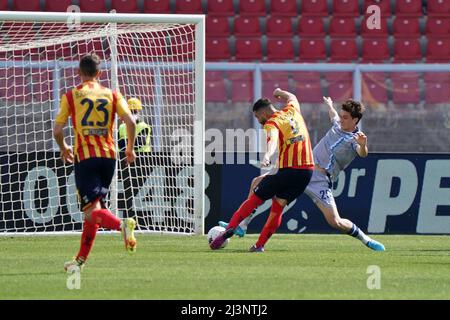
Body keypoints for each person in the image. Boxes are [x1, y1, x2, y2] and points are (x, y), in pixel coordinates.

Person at [219, 97, 385, 251]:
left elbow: (362, 153)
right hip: (302, 168)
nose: (341, 119)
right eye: (341, 116)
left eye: (346, 117)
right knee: (257, 181)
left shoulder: (356, 139)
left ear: (355, 120)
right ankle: (243, 226)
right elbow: (333, 115)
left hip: (320, 180)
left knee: (335, 221)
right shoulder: (337, 125)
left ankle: (366, 240)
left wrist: (363, 145)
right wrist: (329, 105)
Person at [53, 53, 138, 272]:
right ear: (100, 74)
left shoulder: (71, 96)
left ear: (79, 73)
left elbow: (57, 130)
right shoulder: (112, 94)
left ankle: (122, 225)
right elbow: (130, 120)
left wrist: (64, 148)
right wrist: (129, 148)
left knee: (91, 211)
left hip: (86, 157)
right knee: (93, 211)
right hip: (109, 158)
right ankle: (80, 260)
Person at [210, 88, 314, 252]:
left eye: (257, 117)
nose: (259, 120)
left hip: (288, 171)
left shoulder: (272, 122)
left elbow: (272, 141)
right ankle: (259, 245)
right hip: (307, 172)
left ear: (263, 113)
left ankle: (230, 229)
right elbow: (292, 96)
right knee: (278, 206)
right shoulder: (293, 109)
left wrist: (267, 155)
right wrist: (280, 91)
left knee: (255, 199)